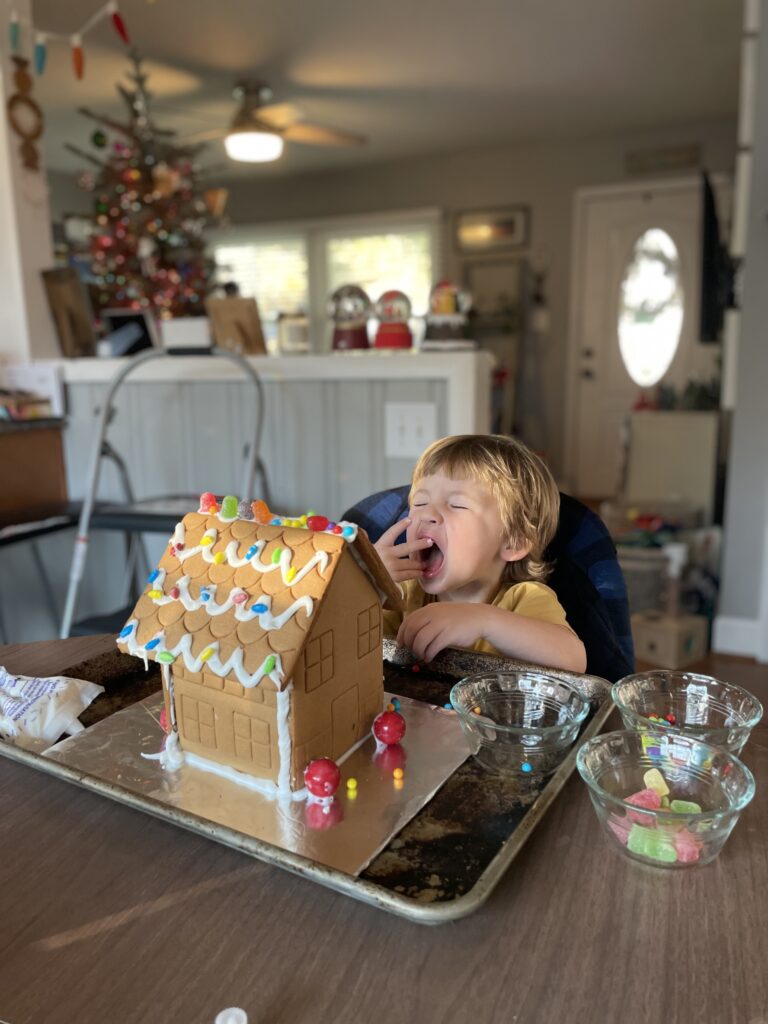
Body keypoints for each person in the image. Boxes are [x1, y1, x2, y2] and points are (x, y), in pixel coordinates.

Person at [375, 434, 587, 672]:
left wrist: (483, 621)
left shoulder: (523, 599)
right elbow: (344, 642)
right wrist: (368, 583)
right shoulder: (404, 592)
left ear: (513, 543)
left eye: (456, 505)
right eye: (420, 503)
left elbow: (573, 660)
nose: (426, 514)